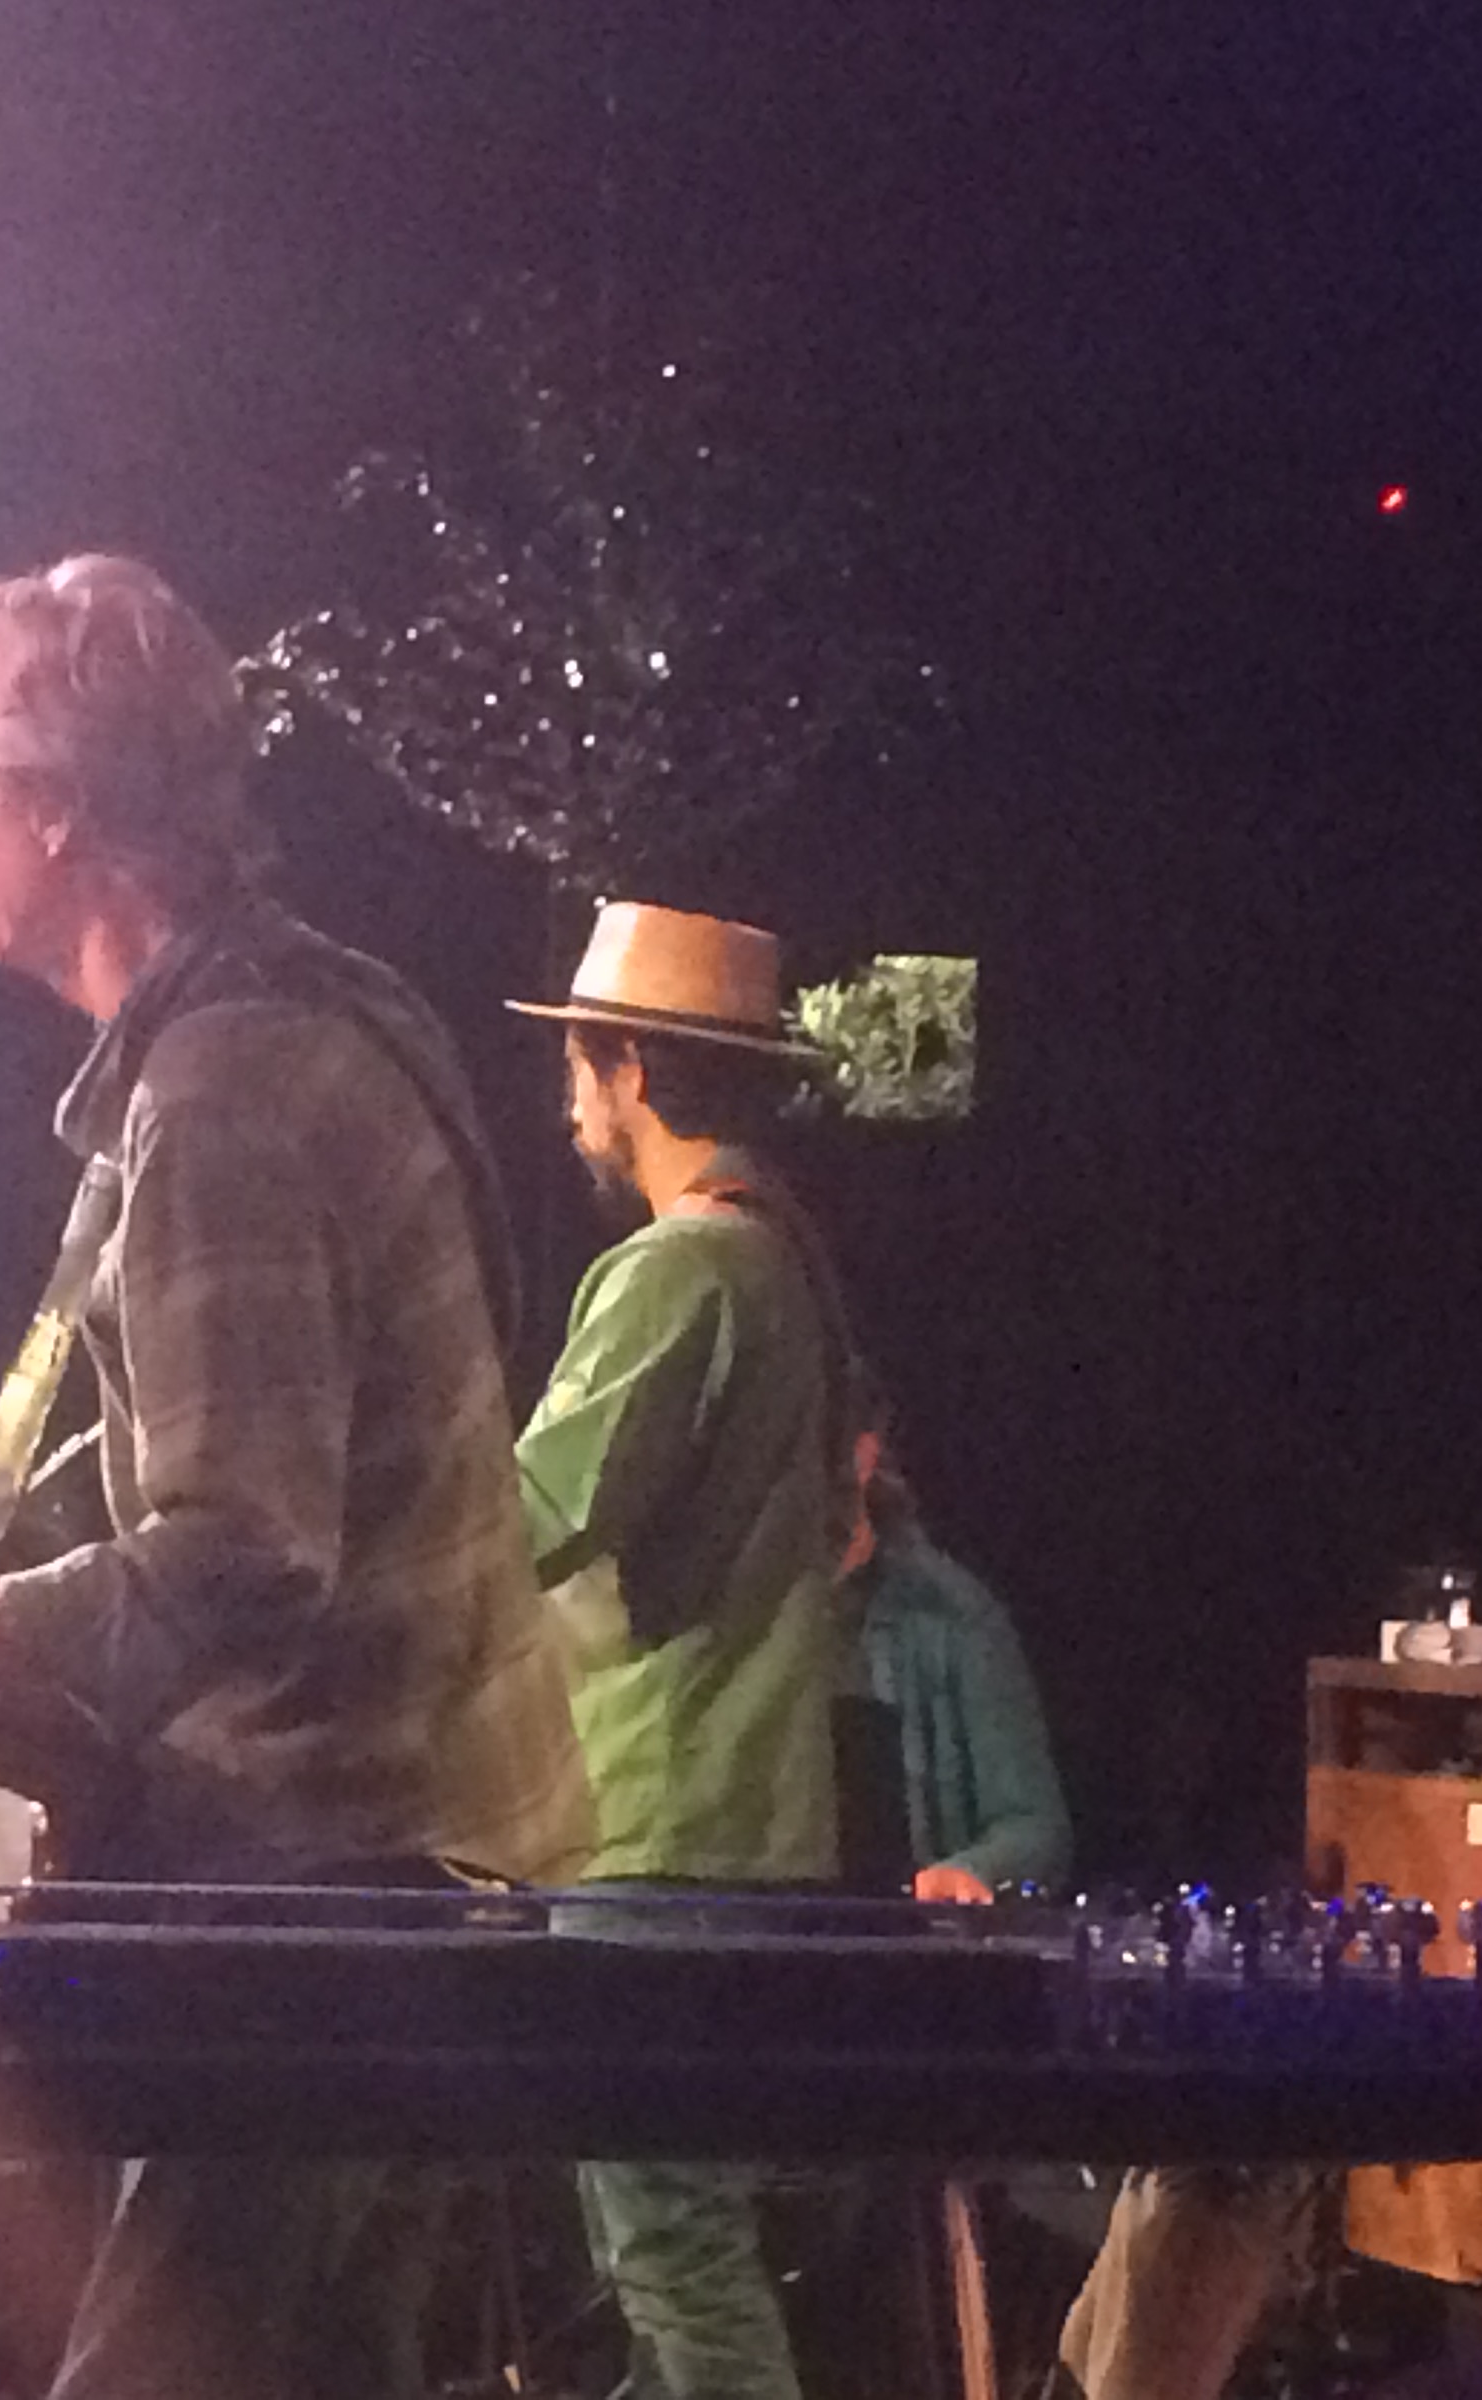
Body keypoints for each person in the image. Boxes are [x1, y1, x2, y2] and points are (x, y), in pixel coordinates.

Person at [0, 553, 593, 2400]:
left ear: (58, 807)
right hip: (376, 1887)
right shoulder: (282, 1029)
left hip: (320, 1905)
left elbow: (243, 1551)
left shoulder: (221, 1095)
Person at [508, 901, 864, 2400]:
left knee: (673, 2255)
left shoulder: (681, 1270)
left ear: (632, 1068)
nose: (569, 1109)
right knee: (674, 2254)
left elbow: (526, 1522)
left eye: (578, 1070)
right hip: (748, 1836)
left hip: (659, 1839)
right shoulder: (784, 1263)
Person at [850, 1450, 1073, 1904]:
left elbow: (1034, 1826)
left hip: (901, 1935)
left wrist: (970, 1871)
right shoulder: (725, 1606)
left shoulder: (953, 1614)